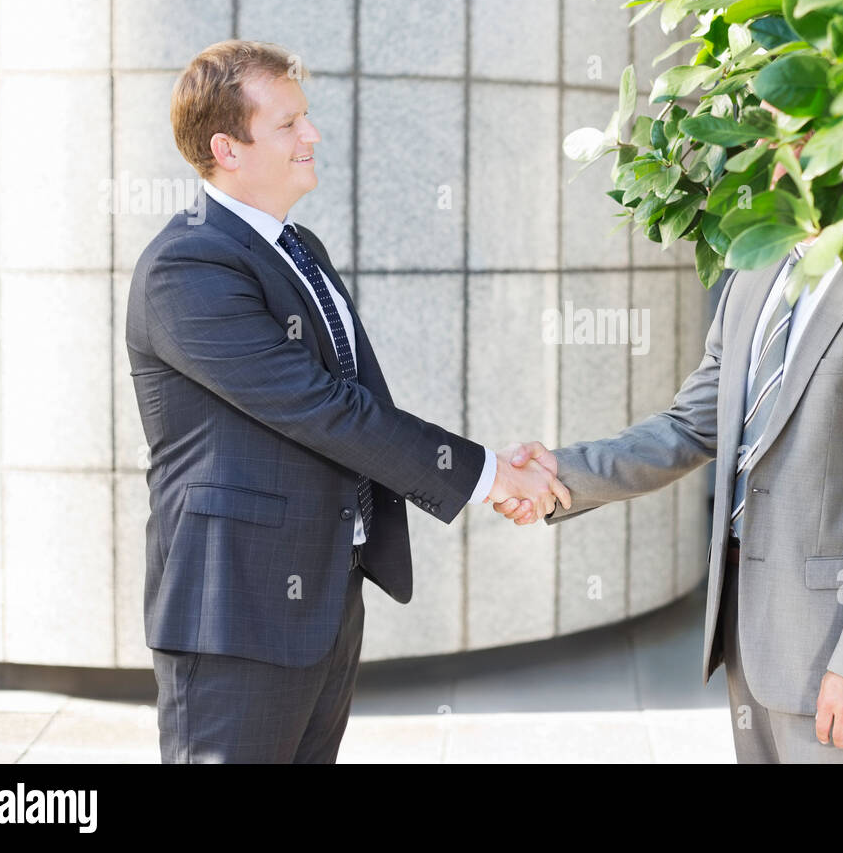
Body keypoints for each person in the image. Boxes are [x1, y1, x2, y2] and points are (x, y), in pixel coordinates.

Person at [125, 39, 568, 763]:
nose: (313, 136)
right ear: (226, 149)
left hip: (323, 600)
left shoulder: (299, 249)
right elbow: (323, 409)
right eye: (289, 124)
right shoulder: (188, 266)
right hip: (236, 613)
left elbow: (354, 404)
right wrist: (489, 474)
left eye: (307, 119)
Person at [496, 228, 843, 763]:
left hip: (840, 645)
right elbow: (691, 424)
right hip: (746, 620)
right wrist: (560, 473)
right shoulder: (758, 265)